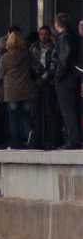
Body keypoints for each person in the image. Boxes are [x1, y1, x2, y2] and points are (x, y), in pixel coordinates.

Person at [0, 31, 36, 149]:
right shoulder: (28, 55)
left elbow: (1, 72)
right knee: (26, 116)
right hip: (27, 89)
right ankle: (29, 132)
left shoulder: (6, 57)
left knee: (13, 118)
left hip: (11, 92)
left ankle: (15, 144)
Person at [52, 13, 82, 150]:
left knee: (67, 110)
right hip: (74, 77)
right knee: (74, 109)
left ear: (56, 25)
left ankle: (73, 139)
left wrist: (57, 77)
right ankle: (75, 137)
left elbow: (63, 60)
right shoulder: (74, 37)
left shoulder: (63, 38)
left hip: (65, 78)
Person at [30, 25, 62, 150]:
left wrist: (47, 77)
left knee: (50, 112)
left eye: (46, 34)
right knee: (36, 112)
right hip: (37, 82)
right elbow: (32, 65)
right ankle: (38, 139)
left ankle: (51, 140)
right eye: (41, 34)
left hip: (50, 83)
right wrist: (39, 78)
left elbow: (55, 64)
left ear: (50, 35)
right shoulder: (32, 48)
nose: (43, 36)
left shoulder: (54, 47)